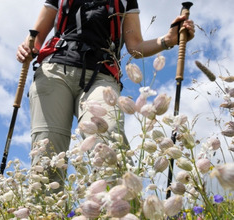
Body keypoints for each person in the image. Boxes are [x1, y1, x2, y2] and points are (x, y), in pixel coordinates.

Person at [16, 0, 195, 188]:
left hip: (102, 76)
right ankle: (46, 215)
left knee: (109, 142)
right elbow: (35, 39)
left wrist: (168, 40)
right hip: (54, 71)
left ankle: (118, 211)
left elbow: (135, 46)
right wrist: (26, 49)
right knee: (46, 155)